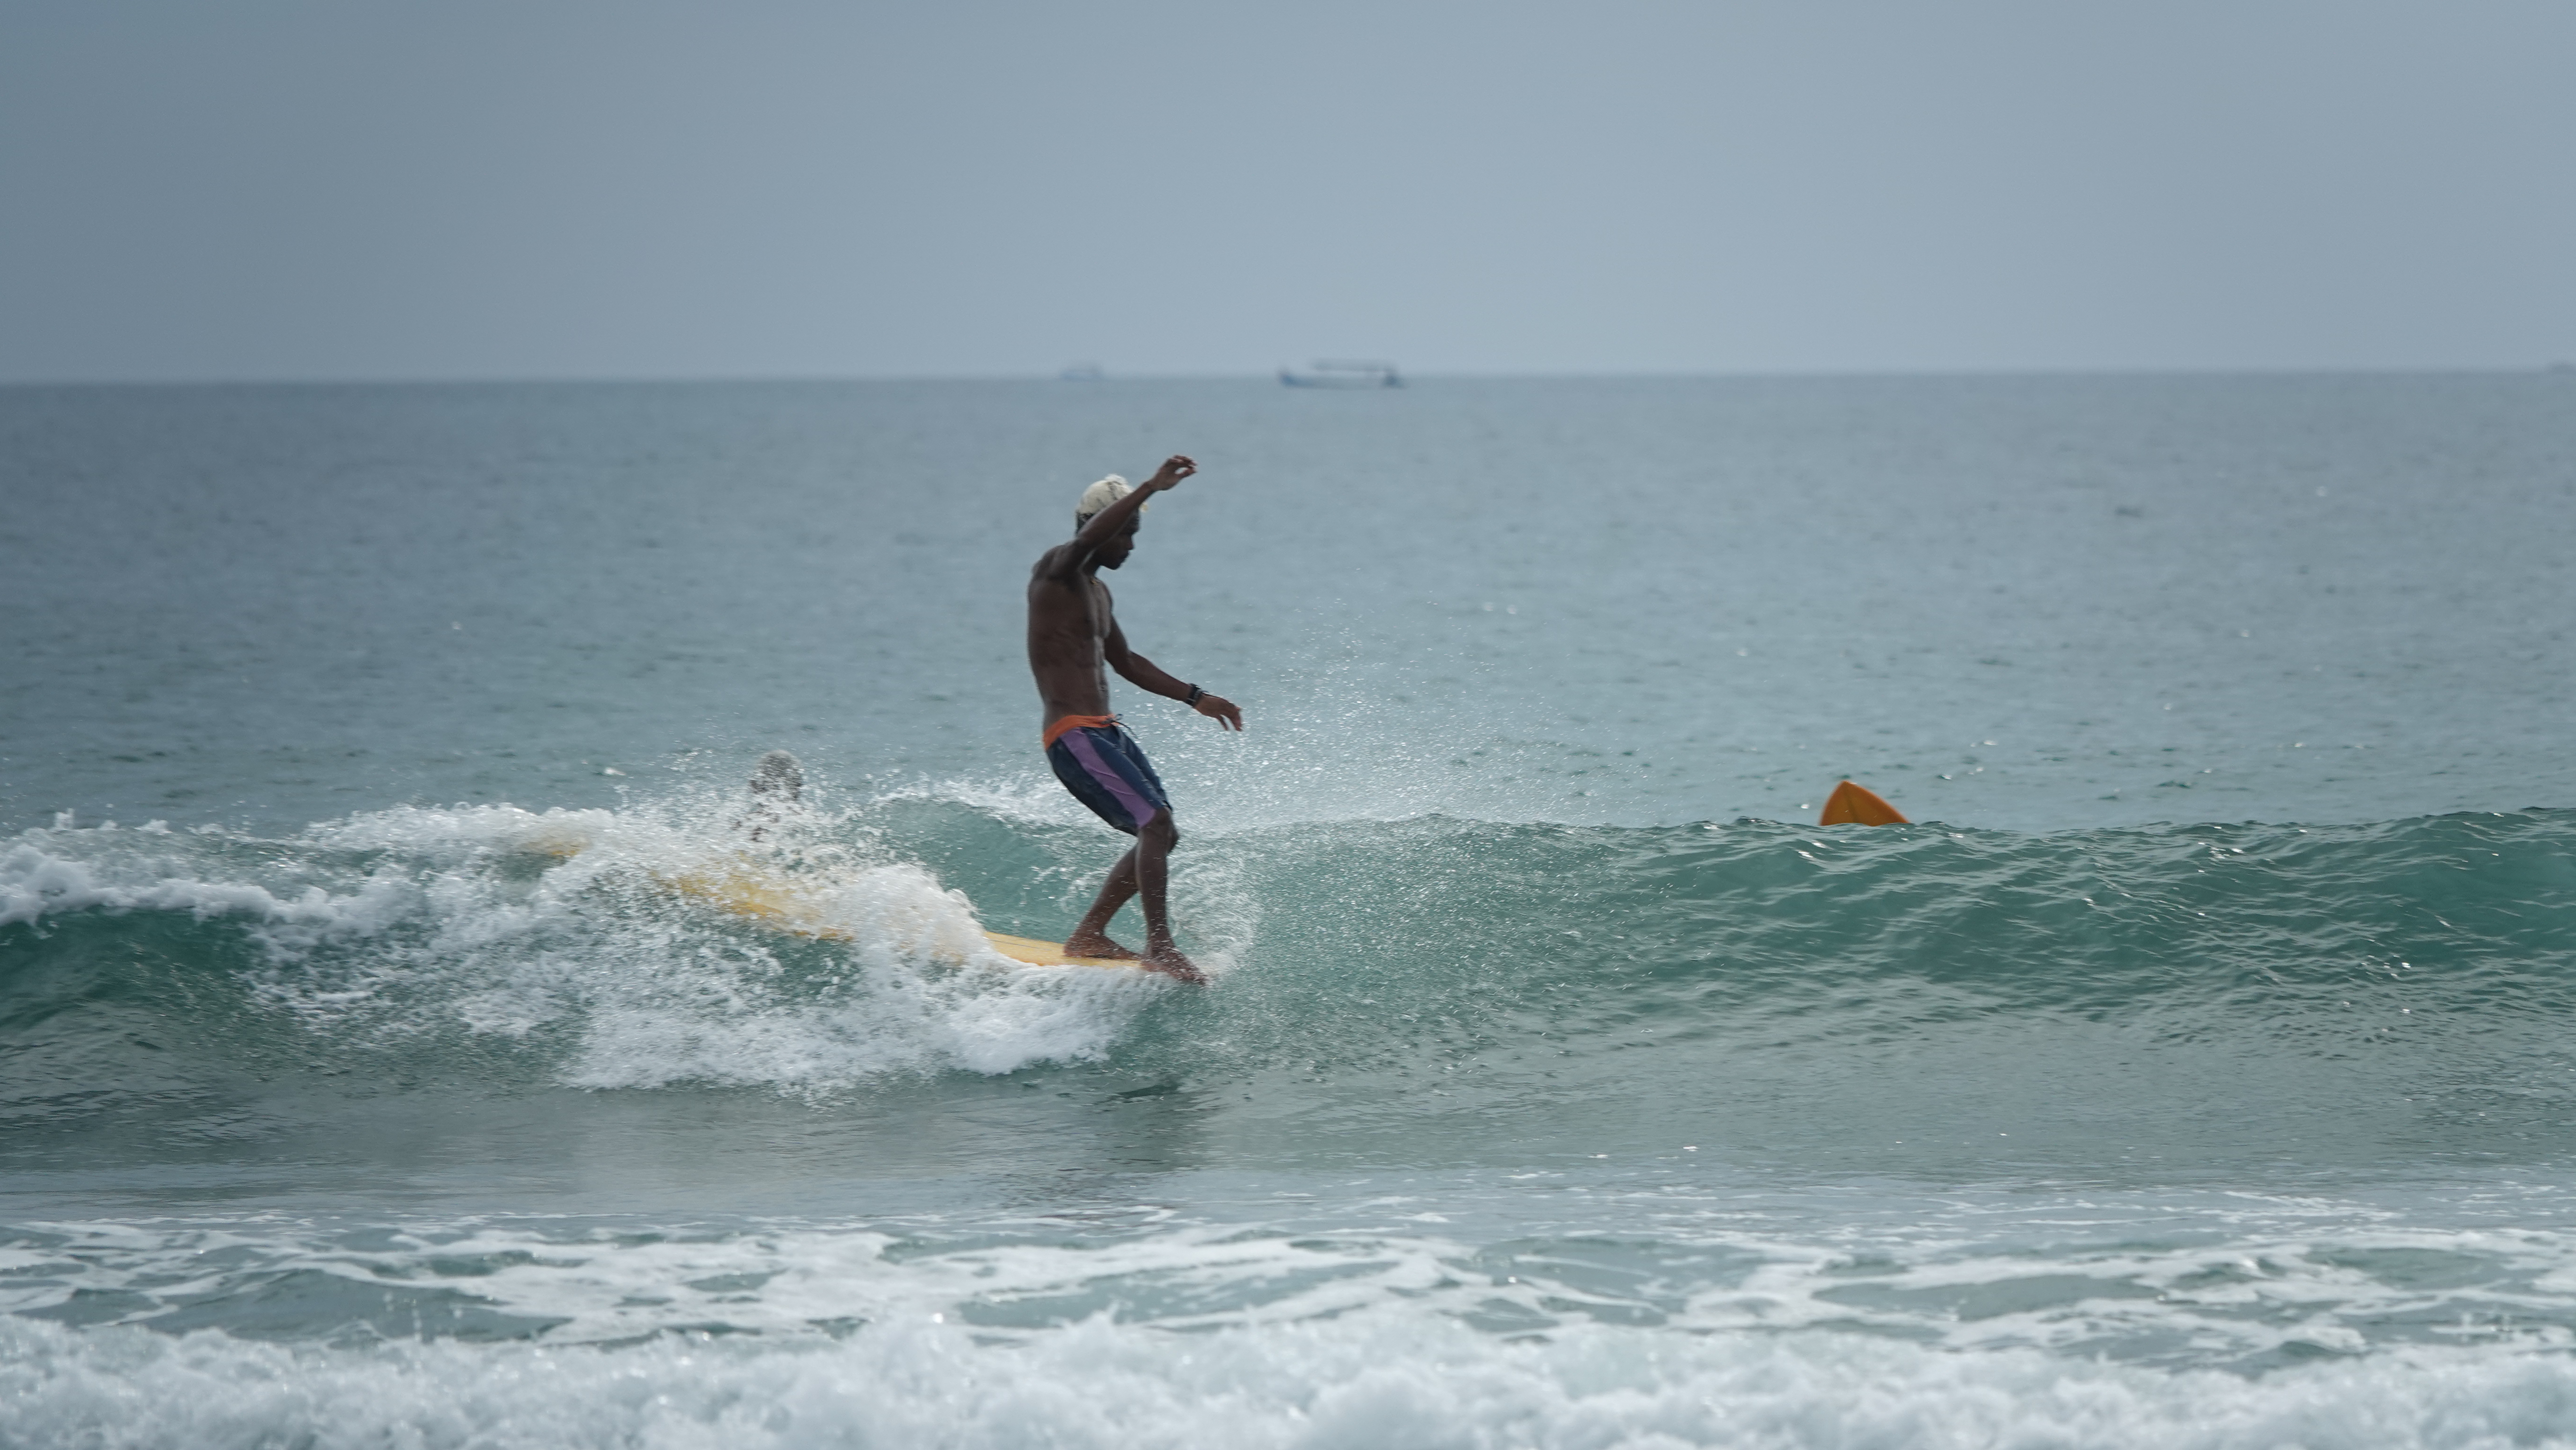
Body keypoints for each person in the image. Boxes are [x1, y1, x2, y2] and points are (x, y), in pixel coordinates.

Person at [1027, 455, 1242, 982]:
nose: (1131, 546)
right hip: (1072, 734)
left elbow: (1127, 663)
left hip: (1105, 732)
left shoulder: (1099, 593)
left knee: (1163, 831)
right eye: (1127, 534)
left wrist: (1196, 696)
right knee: (1156, 823)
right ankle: (1161, 945)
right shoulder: (1056, 570)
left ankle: (1090, 935)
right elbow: (1081, 544)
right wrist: (1150, 486)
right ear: (1106, 529)